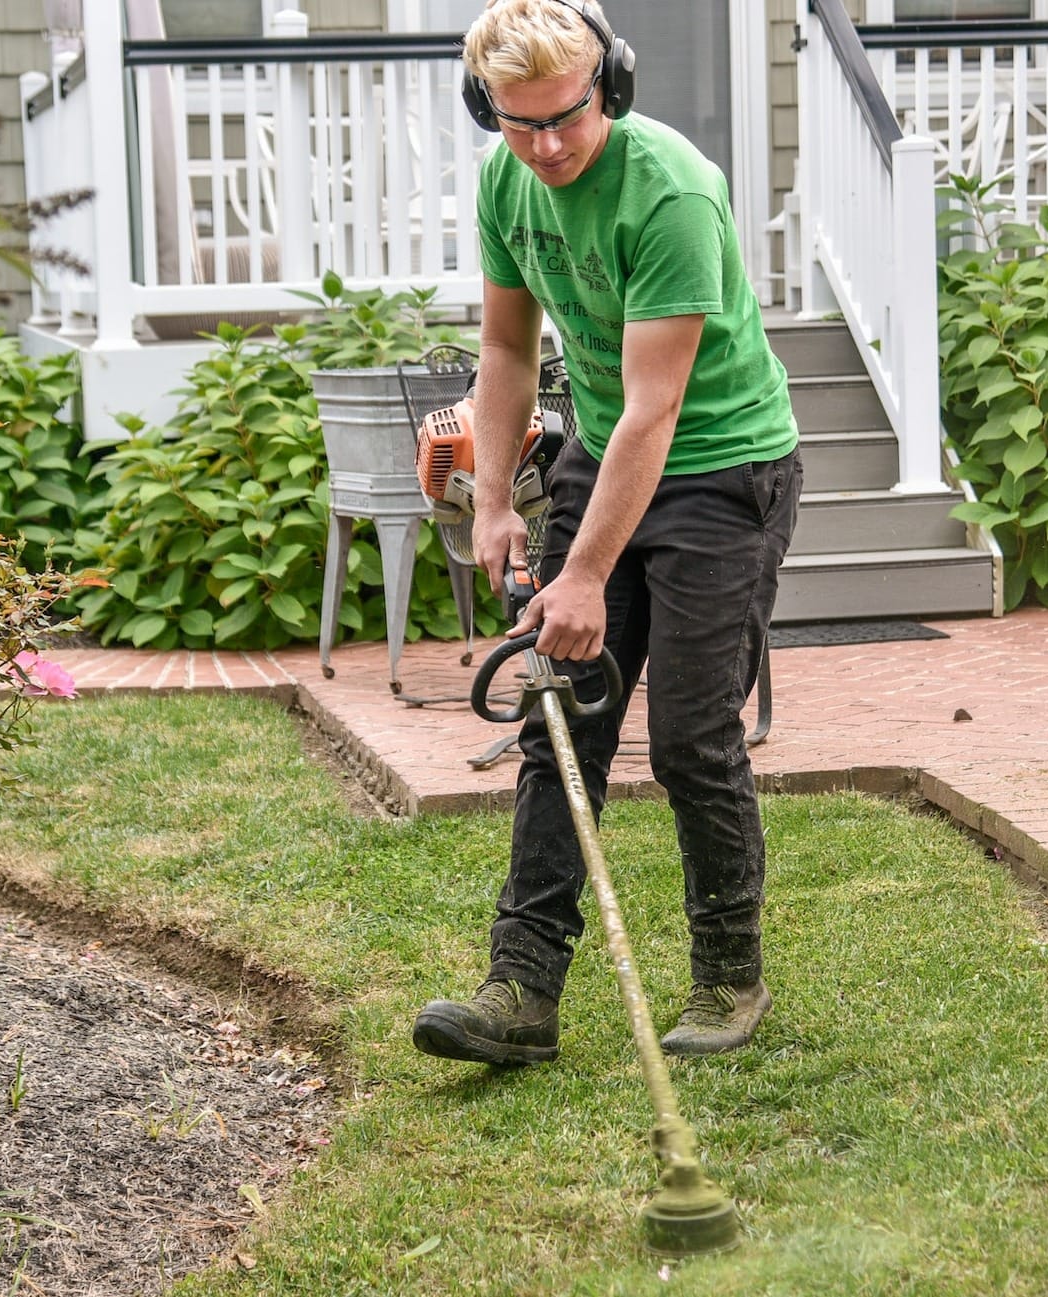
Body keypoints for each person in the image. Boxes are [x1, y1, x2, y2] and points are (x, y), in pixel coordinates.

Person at [410, 0, 801, 1066]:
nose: (542, 147)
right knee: (559, 719)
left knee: (687, 732)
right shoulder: (508, 179)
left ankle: (728, 976)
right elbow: (502, 348)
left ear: (610, 90)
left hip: (720, 467)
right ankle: (519, 991)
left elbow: (654, 411)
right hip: (601, 452)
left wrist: (581, 575)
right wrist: (493, 499)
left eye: (564, 121)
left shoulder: (668, 192)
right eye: (516, 123)